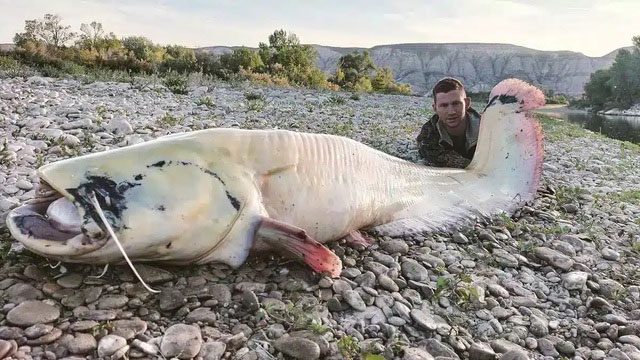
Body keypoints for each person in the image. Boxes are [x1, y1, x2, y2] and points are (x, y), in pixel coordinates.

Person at [416, 77, 481, 168]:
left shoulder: (487, 128)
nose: (451, 112)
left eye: (456, 104)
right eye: (444, 105)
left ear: (467, 103)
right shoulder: (428, 133)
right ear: (435, 108)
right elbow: (431, 154)